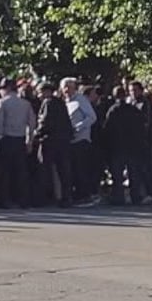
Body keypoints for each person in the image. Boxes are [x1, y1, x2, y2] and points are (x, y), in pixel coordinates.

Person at [0, 78, 37, 209]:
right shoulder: (25, 103)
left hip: (6, 139)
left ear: (7, 89)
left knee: (4, 172)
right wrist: (30, 140)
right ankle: (23, 200)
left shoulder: (2, 103)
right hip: (20, 139)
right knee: (21, 171)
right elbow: (32, 123)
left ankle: (4, 200)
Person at [34, 82, 73, 208]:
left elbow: (45, 122)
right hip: (63, 142)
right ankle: (66, 198)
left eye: (40, 92)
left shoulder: (48, 103)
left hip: (49, 141)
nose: (38, 95)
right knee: (64, 171)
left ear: (47, 91)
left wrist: (36, 134)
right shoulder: (61, 103)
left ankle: (42, 198)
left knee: (44, 170)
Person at [61, 77, 97, 206]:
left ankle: (85, 196)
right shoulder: (65, 102)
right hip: (69, 140)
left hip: (81, 139)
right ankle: (77, 195)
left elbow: (92, 117)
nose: (66, 89)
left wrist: (78, 128)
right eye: (64, 87)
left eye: (69, 87)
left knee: (81, 168)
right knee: (73, 169)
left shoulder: (80, 100)